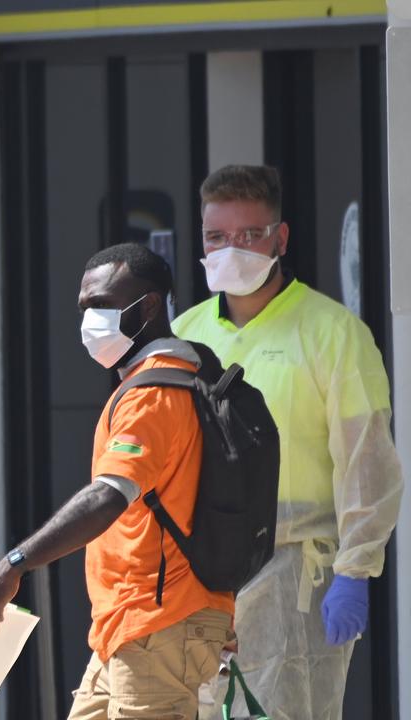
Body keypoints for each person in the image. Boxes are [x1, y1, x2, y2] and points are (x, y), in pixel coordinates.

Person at [173, 164, 403, 719]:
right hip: (198, 575)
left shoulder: (332, 333)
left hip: (294, 573)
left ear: (280, 237)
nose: (233, 249)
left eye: (250, 235)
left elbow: (366, 460)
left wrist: (356, 568)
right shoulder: (183, 336)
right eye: (216, 237)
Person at [0, 243, 234, 720]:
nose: (90, 319)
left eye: (102, 305)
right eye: (84, 307)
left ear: (150, 306)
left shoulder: (154, 393)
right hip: (130, 627)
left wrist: (17, 562)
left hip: (162, 625)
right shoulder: (155, 381)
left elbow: (109, 496)